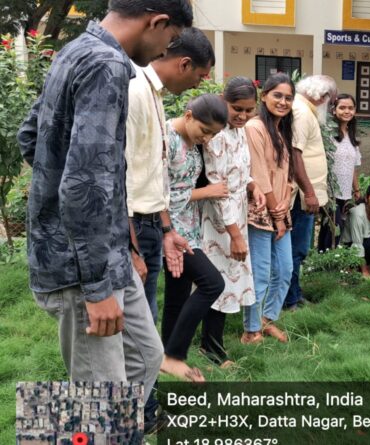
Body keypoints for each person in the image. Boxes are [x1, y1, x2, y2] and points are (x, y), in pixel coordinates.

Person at [17, 0, 192, 399]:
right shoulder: (106, 65)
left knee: (146, 357)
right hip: (81, 269)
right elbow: (85, 183)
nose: (167, 49)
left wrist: (121, 243)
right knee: (103, 395)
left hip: (105, 252)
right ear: (157, 21)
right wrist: (96, 287)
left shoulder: (75, 51)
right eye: (172, 38)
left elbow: (32, 138)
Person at [124, 25, 214, 431]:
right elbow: (117, 178)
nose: (198, 84)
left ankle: (144, 414)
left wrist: (164, 231)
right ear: (183, 62)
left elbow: (152, 180)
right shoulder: (133, 87)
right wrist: (129, 246)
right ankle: (124, 419)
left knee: (144, 337)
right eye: (198, 76)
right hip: (130, 232)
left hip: (152, 229)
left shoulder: (155, 96)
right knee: (129, 343)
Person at [162, 94, 230, 381]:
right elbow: (158, 194)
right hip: (168, 229)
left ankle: (166, 354)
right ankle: (174, 355)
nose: (208, 138)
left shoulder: (192, 144)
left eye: (213, 134)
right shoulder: (166, 139)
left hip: (190, 227)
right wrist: (205, 193)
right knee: (212, 282)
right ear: (188, 115)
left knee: (178, 293)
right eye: (205, 130)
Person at [202, 77, 265, 360]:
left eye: (249, 110)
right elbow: (218, 190)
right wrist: (235, 236)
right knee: (219, 281)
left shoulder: (239, 132)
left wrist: (253, 187)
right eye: (236, 108)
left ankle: (211, 343)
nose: (242, 115)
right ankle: (212, 348)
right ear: (222, 101)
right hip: (219, 221)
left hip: (237, 215)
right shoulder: (216, 135)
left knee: (230, 279)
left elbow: (241, 170)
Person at [241, 73, 296, 344]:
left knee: (285, 270)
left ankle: (266, 319)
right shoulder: (255, 127)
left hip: (280, 211)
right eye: (277, 95)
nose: (283, 102)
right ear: (264, 96)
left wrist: (285, 203)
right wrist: (277, 214)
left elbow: (286, 174)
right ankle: (250, 331)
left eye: (288, 97)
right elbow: (260, 175)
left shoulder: (280, 130)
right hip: (260, 212)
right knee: (260, 273)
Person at [284, 75, 338, 311]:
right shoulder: (302, 113)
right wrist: (310, 193)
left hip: (304, 195)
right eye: (330, 100)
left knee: (298, 249)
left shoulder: (304, 110)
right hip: (301, 197)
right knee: (297, 249)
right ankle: (290, 299)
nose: (330, 105)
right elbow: (296, 156)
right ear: (321, 96)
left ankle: (294, 294)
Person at [317, 93, 362, 252]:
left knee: (337, 226)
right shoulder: (327, 133)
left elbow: (353, 167)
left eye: (350, 108)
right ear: (334, 110)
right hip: (330, 191)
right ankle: (326, 259)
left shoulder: (352, 135)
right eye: (342, 107)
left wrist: (356, 190)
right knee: (331, 226)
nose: (346, 111)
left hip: (345, 192)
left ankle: (325, 257)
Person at [341, 182, 370, 279]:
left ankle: (363, 267)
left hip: (362, 246)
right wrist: (365, 272)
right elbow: (357, 244)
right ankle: (358, 268)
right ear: (367, 198)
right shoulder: (357, 213)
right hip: (348, 250)